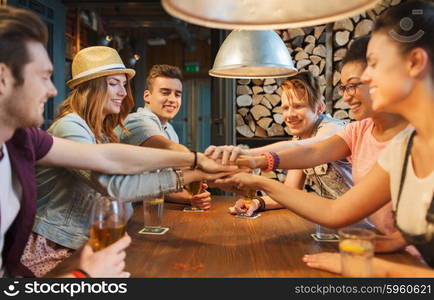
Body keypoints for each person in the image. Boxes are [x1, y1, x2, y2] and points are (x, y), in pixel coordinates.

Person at [0, 7, 235, 278]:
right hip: (58, 249)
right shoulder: (68, 126)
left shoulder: (47, 136)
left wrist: (195, 162)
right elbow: (114, 185)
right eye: (114, 84)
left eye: (124, 84)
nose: (124, 93)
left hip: (86, 246)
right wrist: (195, 165)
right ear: (92, 87)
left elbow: (109, 159)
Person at [216, 0, 434, 276]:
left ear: (415, 62)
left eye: (374, 64)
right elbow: (336, 211)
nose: (366, 76)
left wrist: (377, 269)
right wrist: (255, 175)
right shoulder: (404, 148)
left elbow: (308, 150)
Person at [210, 72, 353, 227]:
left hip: (364, 224)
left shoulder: (333, 128)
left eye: (298, 106)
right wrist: (257, 202)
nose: (289, 115)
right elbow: (290, 191)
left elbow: (309, 148)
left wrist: (249, 155)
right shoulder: (300, 138)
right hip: (335, 223)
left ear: (319, 108)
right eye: (285, 108)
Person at [118, 64, 211, 210]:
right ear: (147, 96)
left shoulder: (170, 130)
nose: (173, 99)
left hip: (143, 212)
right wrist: (205, 165)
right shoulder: (137, 121)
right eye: (165, 92)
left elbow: (161, 184)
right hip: (118, 215)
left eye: (178, 94)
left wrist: (191, 198)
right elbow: (171, 150)